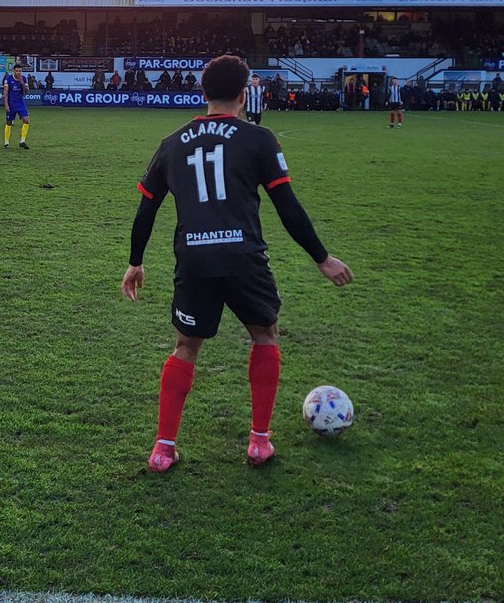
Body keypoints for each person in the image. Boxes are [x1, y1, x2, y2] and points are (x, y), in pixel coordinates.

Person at [120, 55, 353, 471]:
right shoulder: (258, 139)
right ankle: (259, 442)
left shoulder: (172, 144)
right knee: (265, 336)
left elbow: (146, 210)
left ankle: (163, 449)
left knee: (185, 347)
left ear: (203, 93)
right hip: (244, 258)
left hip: (194, 259)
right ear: (245, 94)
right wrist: (322, 258)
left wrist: (135, 261)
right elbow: (287, 205)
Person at [2, 62, 31, 149]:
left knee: (26, 120)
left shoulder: (24, 79)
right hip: (11, 103)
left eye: (20, 71)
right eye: (17, 71)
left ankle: (22, 141)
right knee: (9, 122)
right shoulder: (8, 79)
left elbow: (27, 91)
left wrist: (22, 82)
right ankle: (6, 142)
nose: (19, 73)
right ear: (13, 71)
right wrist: (6, 104)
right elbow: (5, 93)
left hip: (20, 103)